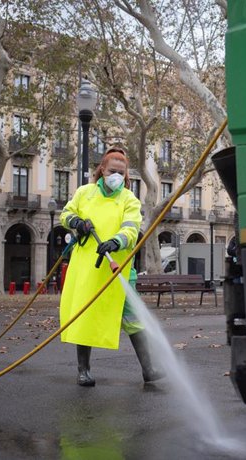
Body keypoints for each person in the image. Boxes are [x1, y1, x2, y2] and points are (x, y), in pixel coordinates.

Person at [59, 147, 163, 386]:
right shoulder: (84, 193)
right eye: (112, 170)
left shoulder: (129, 200)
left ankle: (149, 369)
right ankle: (83, 371)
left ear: (126, 175)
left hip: (120, 268)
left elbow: (131, 229)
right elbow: (66, 213)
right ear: (102, 170)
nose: (116, 175)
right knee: (84, 315)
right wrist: (76, 221)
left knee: (133, 317)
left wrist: (115, 242)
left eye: (121, 172)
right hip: (87, 269)